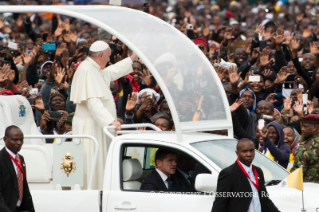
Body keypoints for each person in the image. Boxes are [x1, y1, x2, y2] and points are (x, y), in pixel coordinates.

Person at [70, 40, 138, 189]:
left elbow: (110, 72)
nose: (109, 59)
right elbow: (92, 101)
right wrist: (110, 121)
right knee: (92, 166)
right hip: (89, 127)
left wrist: (131, 59)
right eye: (108, 56)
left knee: (101, 163)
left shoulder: (94, 68)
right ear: (100, 55)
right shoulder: (87, 69)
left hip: (97, 125)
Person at [212, 138, 279, 212]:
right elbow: (219, 204)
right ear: (237, 153)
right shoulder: (228, 174)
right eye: (244, 151)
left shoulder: (258, 171)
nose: (249, 154)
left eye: (251, 150)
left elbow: (265, 200)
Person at [0, 125, 35, 212]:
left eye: (21, 139)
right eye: (15, 139)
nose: (19, 143)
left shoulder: (20, 158)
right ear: (5, 139)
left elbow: (24, 186)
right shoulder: (0, 159)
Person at [291, 114, 319, 183]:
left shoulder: (306, 147)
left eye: (305, 126)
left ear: (314, 127)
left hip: (310, 190)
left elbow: (296, 174)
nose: (302, 129)